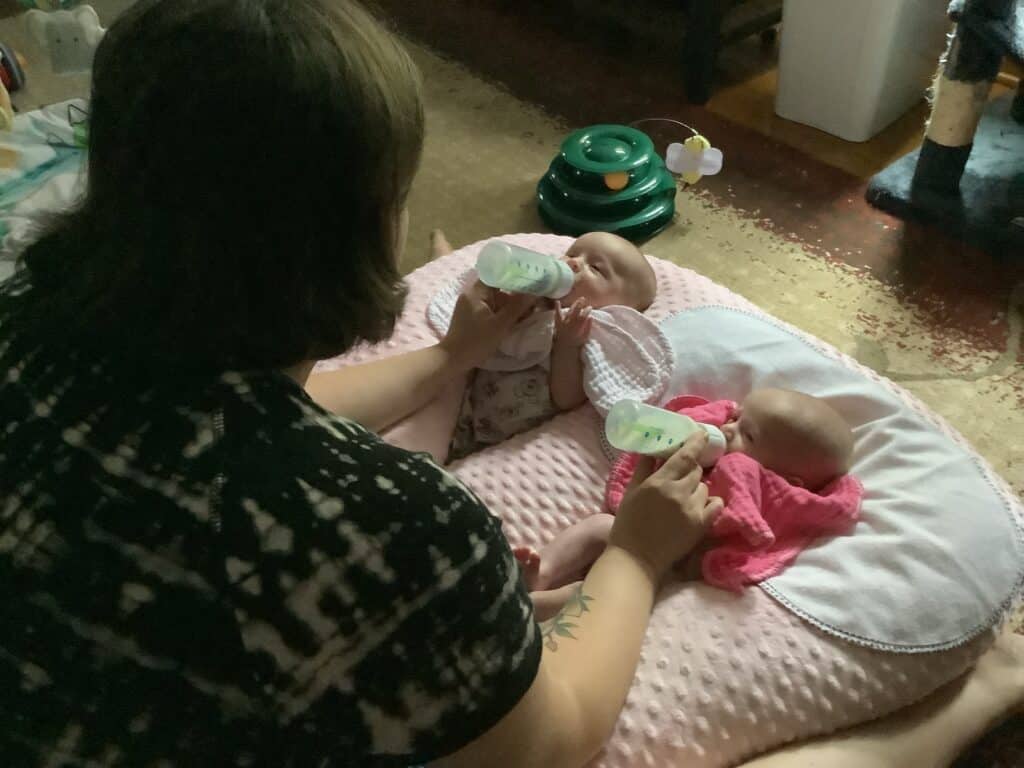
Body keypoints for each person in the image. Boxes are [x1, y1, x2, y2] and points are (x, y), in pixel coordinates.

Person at [0, 2, 1019, 768]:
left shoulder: (31, 331)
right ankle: (976, 702)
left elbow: (255, 418)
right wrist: (633, 554)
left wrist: (451, 357)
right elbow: (554, 739)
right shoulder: (384, 525)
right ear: (357, 233)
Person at [515, 388, 856, 616]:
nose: (728, 428)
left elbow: (739, 526)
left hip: (668, 565)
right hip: (635, 530)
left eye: (747, 435)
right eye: (736, 418)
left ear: (785, 480)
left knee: (606, 593)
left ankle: (536, 608)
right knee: (598, 526)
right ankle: (543, 570)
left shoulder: (768, 500)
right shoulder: (713, 446)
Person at [438, 229, 659, 460]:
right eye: (572, 253)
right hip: (463, 410)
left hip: (503, 444)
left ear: (620, 305)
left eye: (596, 268)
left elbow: (566, 399)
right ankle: (443, 252)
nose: (573, 262)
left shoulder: (594, 335)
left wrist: (567, 344)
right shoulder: (538, 299)